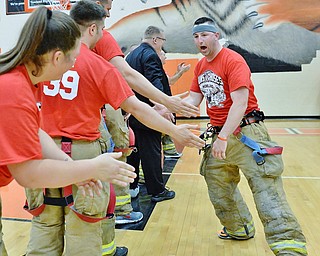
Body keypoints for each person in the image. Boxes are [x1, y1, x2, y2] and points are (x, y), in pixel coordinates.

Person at [25, 2, 204, 256]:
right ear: (94, 29)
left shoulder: (41, 60)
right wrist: (175, 131)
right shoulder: (100, 66)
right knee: (83, 231)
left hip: (41, 152)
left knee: (43, 227)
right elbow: (139, 109)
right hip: (81, 155)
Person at [0, 6, 136, 256]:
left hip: (64, 155)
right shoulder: (13, 90)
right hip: (78, 151)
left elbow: (37, 134)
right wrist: (93, 167)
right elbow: (28, 175)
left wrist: (69, 166)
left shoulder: (22, 79)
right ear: (57, 57)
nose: (76, 64)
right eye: (74, 58)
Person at [183, 17, 308, 256]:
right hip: (220, 135)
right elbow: (192, 100)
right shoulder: (201, 66)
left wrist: (223, 138)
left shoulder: (233, 60)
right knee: (217, 184)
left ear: (216, 35)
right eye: (196, 36)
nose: (200, 40)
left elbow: (239, 103)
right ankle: (239, 228)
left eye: (205, 35)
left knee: (265, 186)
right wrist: (164, 106)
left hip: (246, 132)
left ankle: (289, 245)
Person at [91, 0, 199, 226]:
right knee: (135, 152)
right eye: (107, 9)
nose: (108, 15)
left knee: (132, 150)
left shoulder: (126, 54)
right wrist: (163, 104)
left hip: (123, 111)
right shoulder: (118, 45)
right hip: (126, 112)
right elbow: (137, 80)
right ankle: (146, 194)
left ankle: (129, 191)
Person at [125, 26, 178, 203]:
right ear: (156, 40)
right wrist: (162, 107)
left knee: (135, 151)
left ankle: (132, 187)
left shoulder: (131, 55)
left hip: (133, 112)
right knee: (152, 152)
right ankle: (157, 191)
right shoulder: (150, 55)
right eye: (163, 42)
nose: (162, 46)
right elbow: (155, 82)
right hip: (149, 112)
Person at [158, 49, 191, 159]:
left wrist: (180, 72)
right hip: (159, 105)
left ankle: (168, 151)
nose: (166, 57)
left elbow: (170, 81)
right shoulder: (154, 69)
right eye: (163, 55)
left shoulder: (161, 70)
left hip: (165, 104)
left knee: (167, 129)